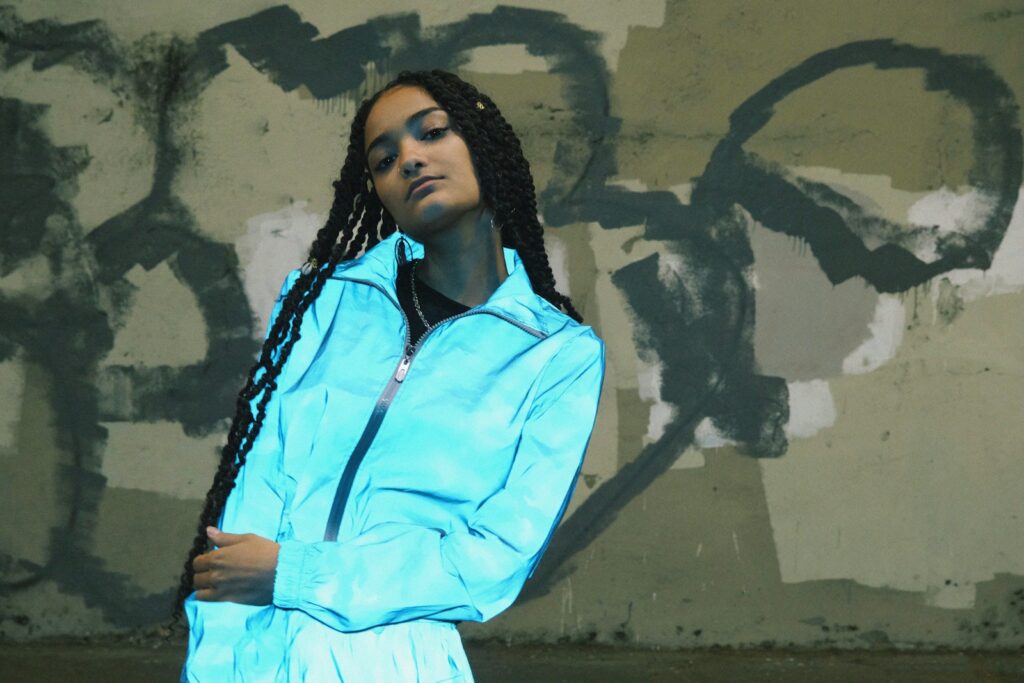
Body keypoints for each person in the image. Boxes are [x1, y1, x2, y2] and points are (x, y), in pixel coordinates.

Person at [169, 69, 606, 682]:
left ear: (483, 145)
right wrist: (217, 658)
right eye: (384, 158)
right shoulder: (320, 301)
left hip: (399, 660)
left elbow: (493, 559)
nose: (410, 159)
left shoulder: (557, 354)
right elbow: (254, 493)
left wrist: (295, 575)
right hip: (258, 650)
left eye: (431, 133)